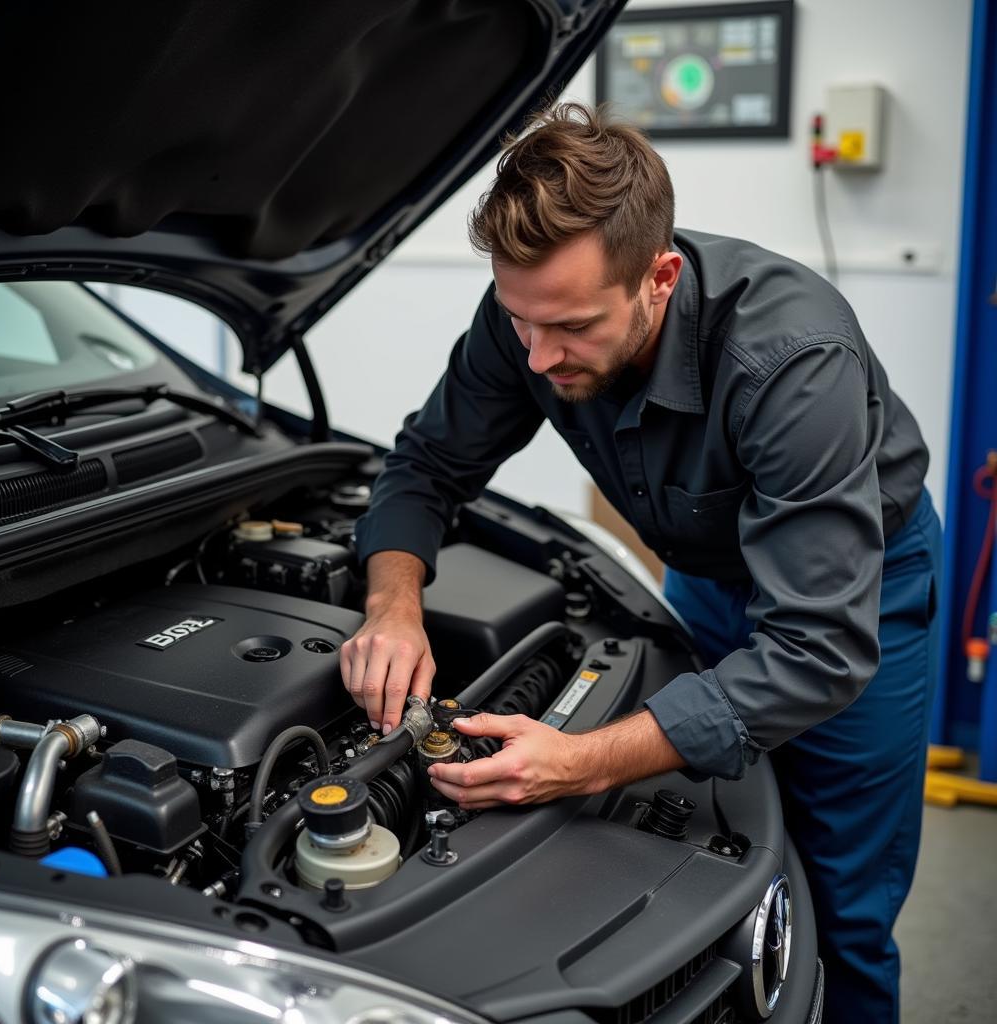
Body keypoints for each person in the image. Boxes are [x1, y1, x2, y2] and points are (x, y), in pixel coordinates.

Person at [339, 103, 940, 1023]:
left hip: (858, 592)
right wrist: (393, 605)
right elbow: (426, 465)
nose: (538, 358)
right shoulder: (531, 317)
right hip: (705, 572)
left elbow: (816, 649)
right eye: (520, 321)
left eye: (572, 328)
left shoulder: (792, 361)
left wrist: (579, 764)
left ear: (659, 278)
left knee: (842, 909)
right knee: (707, 854)